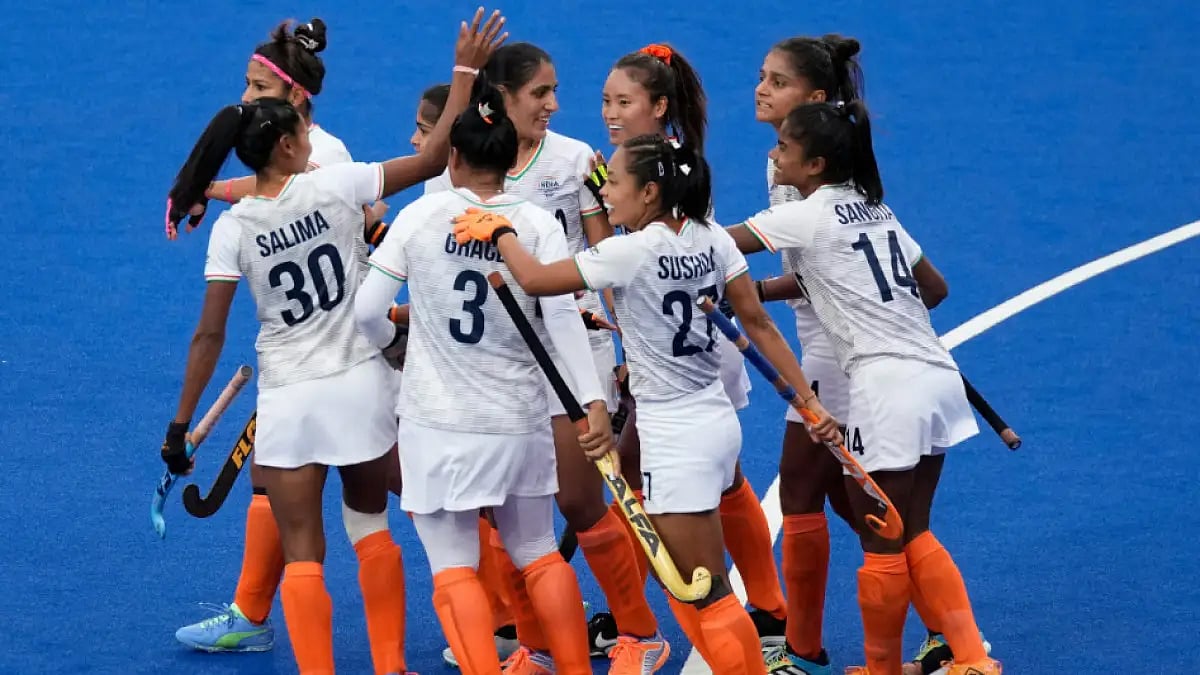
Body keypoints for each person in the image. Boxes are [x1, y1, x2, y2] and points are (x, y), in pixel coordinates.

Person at [159, 11, 507, 673]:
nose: (248, 96)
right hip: (357, 379)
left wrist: (179, 423)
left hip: (291, 395)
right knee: (371, 527)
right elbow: (435, 156)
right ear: (290, 143)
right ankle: (390, 663)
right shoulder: (334, 182)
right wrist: (464, 70)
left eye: (257, 87)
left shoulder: (237, 226)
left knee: (306, 550)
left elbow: (209, 332)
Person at [453, 133, 841, 675]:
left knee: (703, 592)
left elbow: (538, 280)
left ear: (651, 192)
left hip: (673, 437)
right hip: (716, 420)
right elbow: (757, 324)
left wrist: (502, 232)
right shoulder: (712, 238)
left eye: (613, 182)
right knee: (691, 583)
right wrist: (808, 404)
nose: (605, 193)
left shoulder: (630, 251)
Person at [725, 100, 1001, 675]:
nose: (774, 155)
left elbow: (716, 247)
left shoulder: (806, 215)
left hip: (884, 385)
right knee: (912, 528)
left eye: (785, 150)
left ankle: (882, 670)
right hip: (936, 374)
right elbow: (935, 288)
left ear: (816, 164)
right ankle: (971, 658)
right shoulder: (877, 209)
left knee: (880, 538)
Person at [427, 43, 669, 674]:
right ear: (501, 98)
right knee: (503, 501)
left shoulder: (577, 160)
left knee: (579, 501)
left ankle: (640, 634)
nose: (554, 104)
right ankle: (530, 646)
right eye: (540, 93)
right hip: (497, 360)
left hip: (570, 345)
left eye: (555, 91)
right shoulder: (468, 166)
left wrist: (626, 343)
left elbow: (608, 249)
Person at [353, 82, 599, 675]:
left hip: (439, 425)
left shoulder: (419, 217)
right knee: (539, 553)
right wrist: (590, 402)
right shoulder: (537, 225)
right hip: (520, 420)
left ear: (454, 158)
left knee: (454, 565)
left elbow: (366, 311)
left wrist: (393, 346)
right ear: (510, 158)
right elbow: (564, 319)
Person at [166, 16, 386, 655]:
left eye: (257, 85)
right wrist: (208, 189)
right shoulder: (289, 150)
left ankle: (504, 608)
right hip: (312, 348)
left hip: (343, 351)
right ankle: (251, 613)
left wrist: (207, 191)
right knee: (273, 481)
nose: (245, 96)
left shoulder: (328, 158)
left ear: (295, 98)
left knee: (395, 497)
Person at [593, 42, 792, 660]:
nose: (611, 113)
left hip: (691, 352)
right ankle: (765, 607)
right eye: (605, 100)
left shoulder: (663, 174)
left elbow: (633, 272)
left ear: (658, 105)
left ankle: (664, 618)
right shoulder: (648, 163)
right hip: (684, 346)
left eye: (624, 102)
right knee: (717, 475)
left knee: (648, 474)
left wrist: (593, 207)